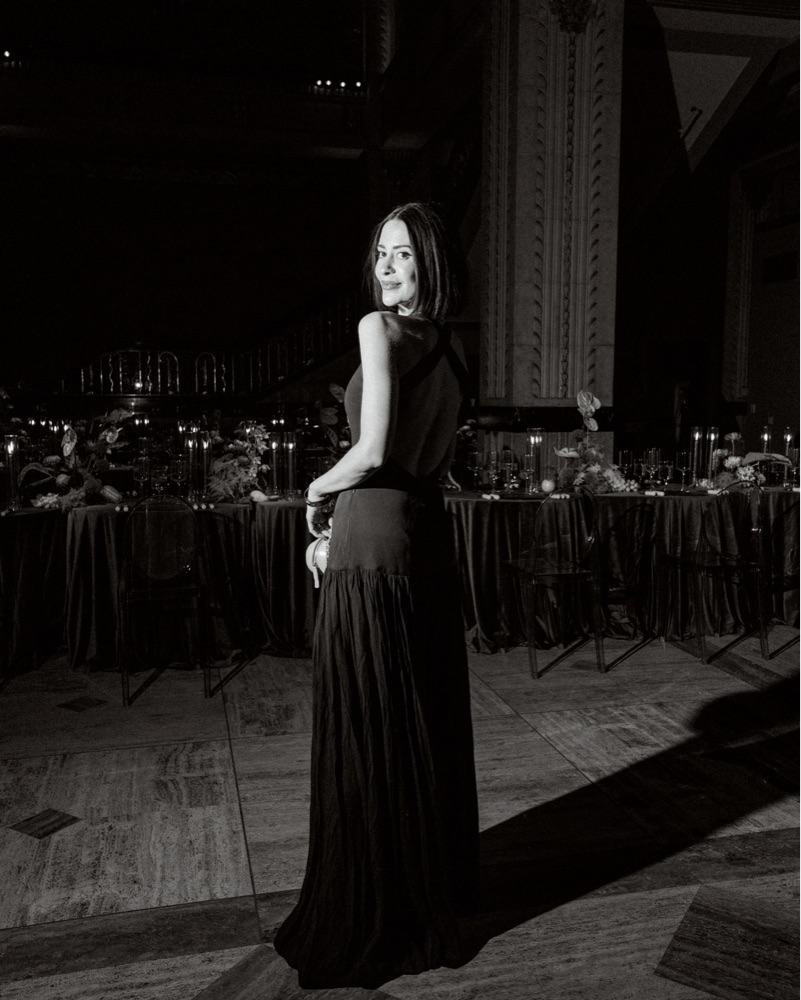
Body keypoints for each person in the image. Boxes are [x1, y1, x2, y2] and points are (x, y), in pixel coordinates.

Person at [273, 202, 480, 989]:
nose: (386, 268)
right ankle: (426, 891)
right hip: (422, 540)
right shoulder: (454, 349)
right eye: (381, 254)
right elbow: (429, 464)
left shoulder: (378, 329)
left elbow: (367, 452)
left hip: (372, 537)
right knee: (417, 715)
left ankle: (370, 908)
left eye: (402, 254)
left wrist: (314, 495)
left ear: (431, 261)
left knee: (367, 718)